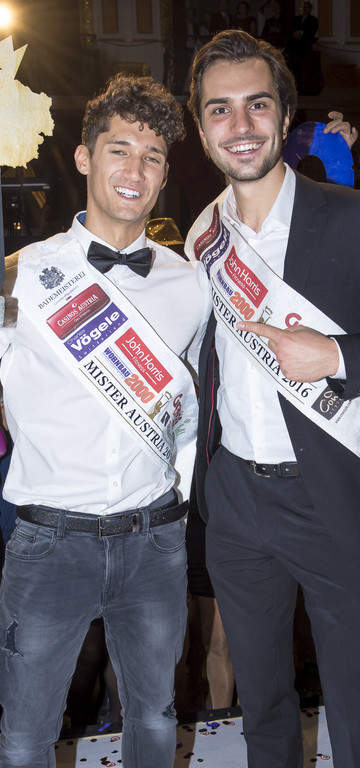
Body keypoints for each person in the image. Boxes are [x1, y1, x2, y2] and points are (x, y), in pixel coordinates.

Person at [0, 74, 208, 768]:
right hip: (49, 548)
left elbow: (189, 410)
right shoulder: (17, 275)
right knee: (25, 739)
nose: (135, 170)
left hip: (155, 542)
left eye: (153, 157)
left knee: (155, 719)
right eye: (118, 149)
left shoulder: (189, 284)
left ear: (165, 174)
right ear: (83, 157)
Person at [186, 29, 360, 768]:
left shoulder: (349, 217)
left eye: (257, 105)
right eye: (219, 110)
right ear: (201, 129)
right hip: (234, 500)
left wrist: (339, 356)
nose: (241, 125)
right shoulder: (201, 240)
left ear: (286, 116)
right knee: (261, 704)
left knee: (354, 702)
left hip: (333, 496)